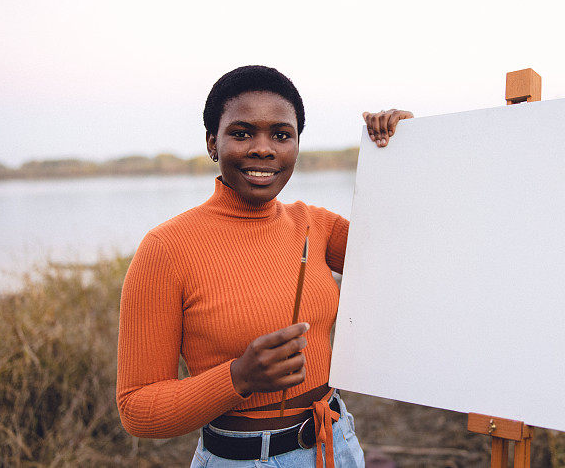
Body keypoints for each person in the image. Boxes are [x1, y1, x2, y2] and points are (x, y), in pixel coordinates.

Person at [116, 65, 413, 467]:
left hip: (336, 444)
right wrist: (239, 377)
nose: (263, 148)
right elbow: (137, 408)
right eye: (241, 133)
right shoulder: (166, 248)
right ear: (212, 144)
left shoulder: (314, 224)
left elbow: (410, 252)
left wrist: (406, 153)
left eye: (281, 134)